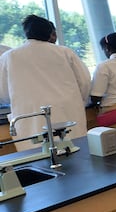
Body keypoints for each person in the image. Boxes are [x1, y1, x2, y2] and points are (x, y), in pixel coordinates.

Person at [0, 15, 90, 150]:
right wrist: (79, 101)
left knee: (38, 157)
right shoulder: (64, 52)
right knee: (75, 151)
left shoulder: (9, 56)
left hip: (30, 116)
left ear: (26, 33)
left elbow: (4, 94)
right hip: (67, 110)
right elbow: (85, 82)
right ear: (50, 33)